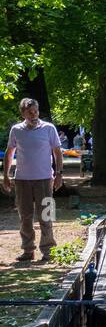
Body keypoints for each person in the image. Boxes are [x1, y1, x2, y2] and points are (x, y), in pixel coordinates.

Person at [3, 98, 64, 262]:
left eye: (36, 111)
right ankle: (28, 250)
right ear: (22, 113)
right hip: (22, 180)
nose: (34, 114)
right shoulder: (16, 130)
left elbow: (57, 152)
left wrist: (59, 173)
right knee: (25, 216)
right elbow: (9, 153)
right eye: (30, 112)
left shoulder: (48, 128)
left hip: (45, 179)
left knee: (46, 215)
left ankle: (48, 250)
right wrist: (6, 176)